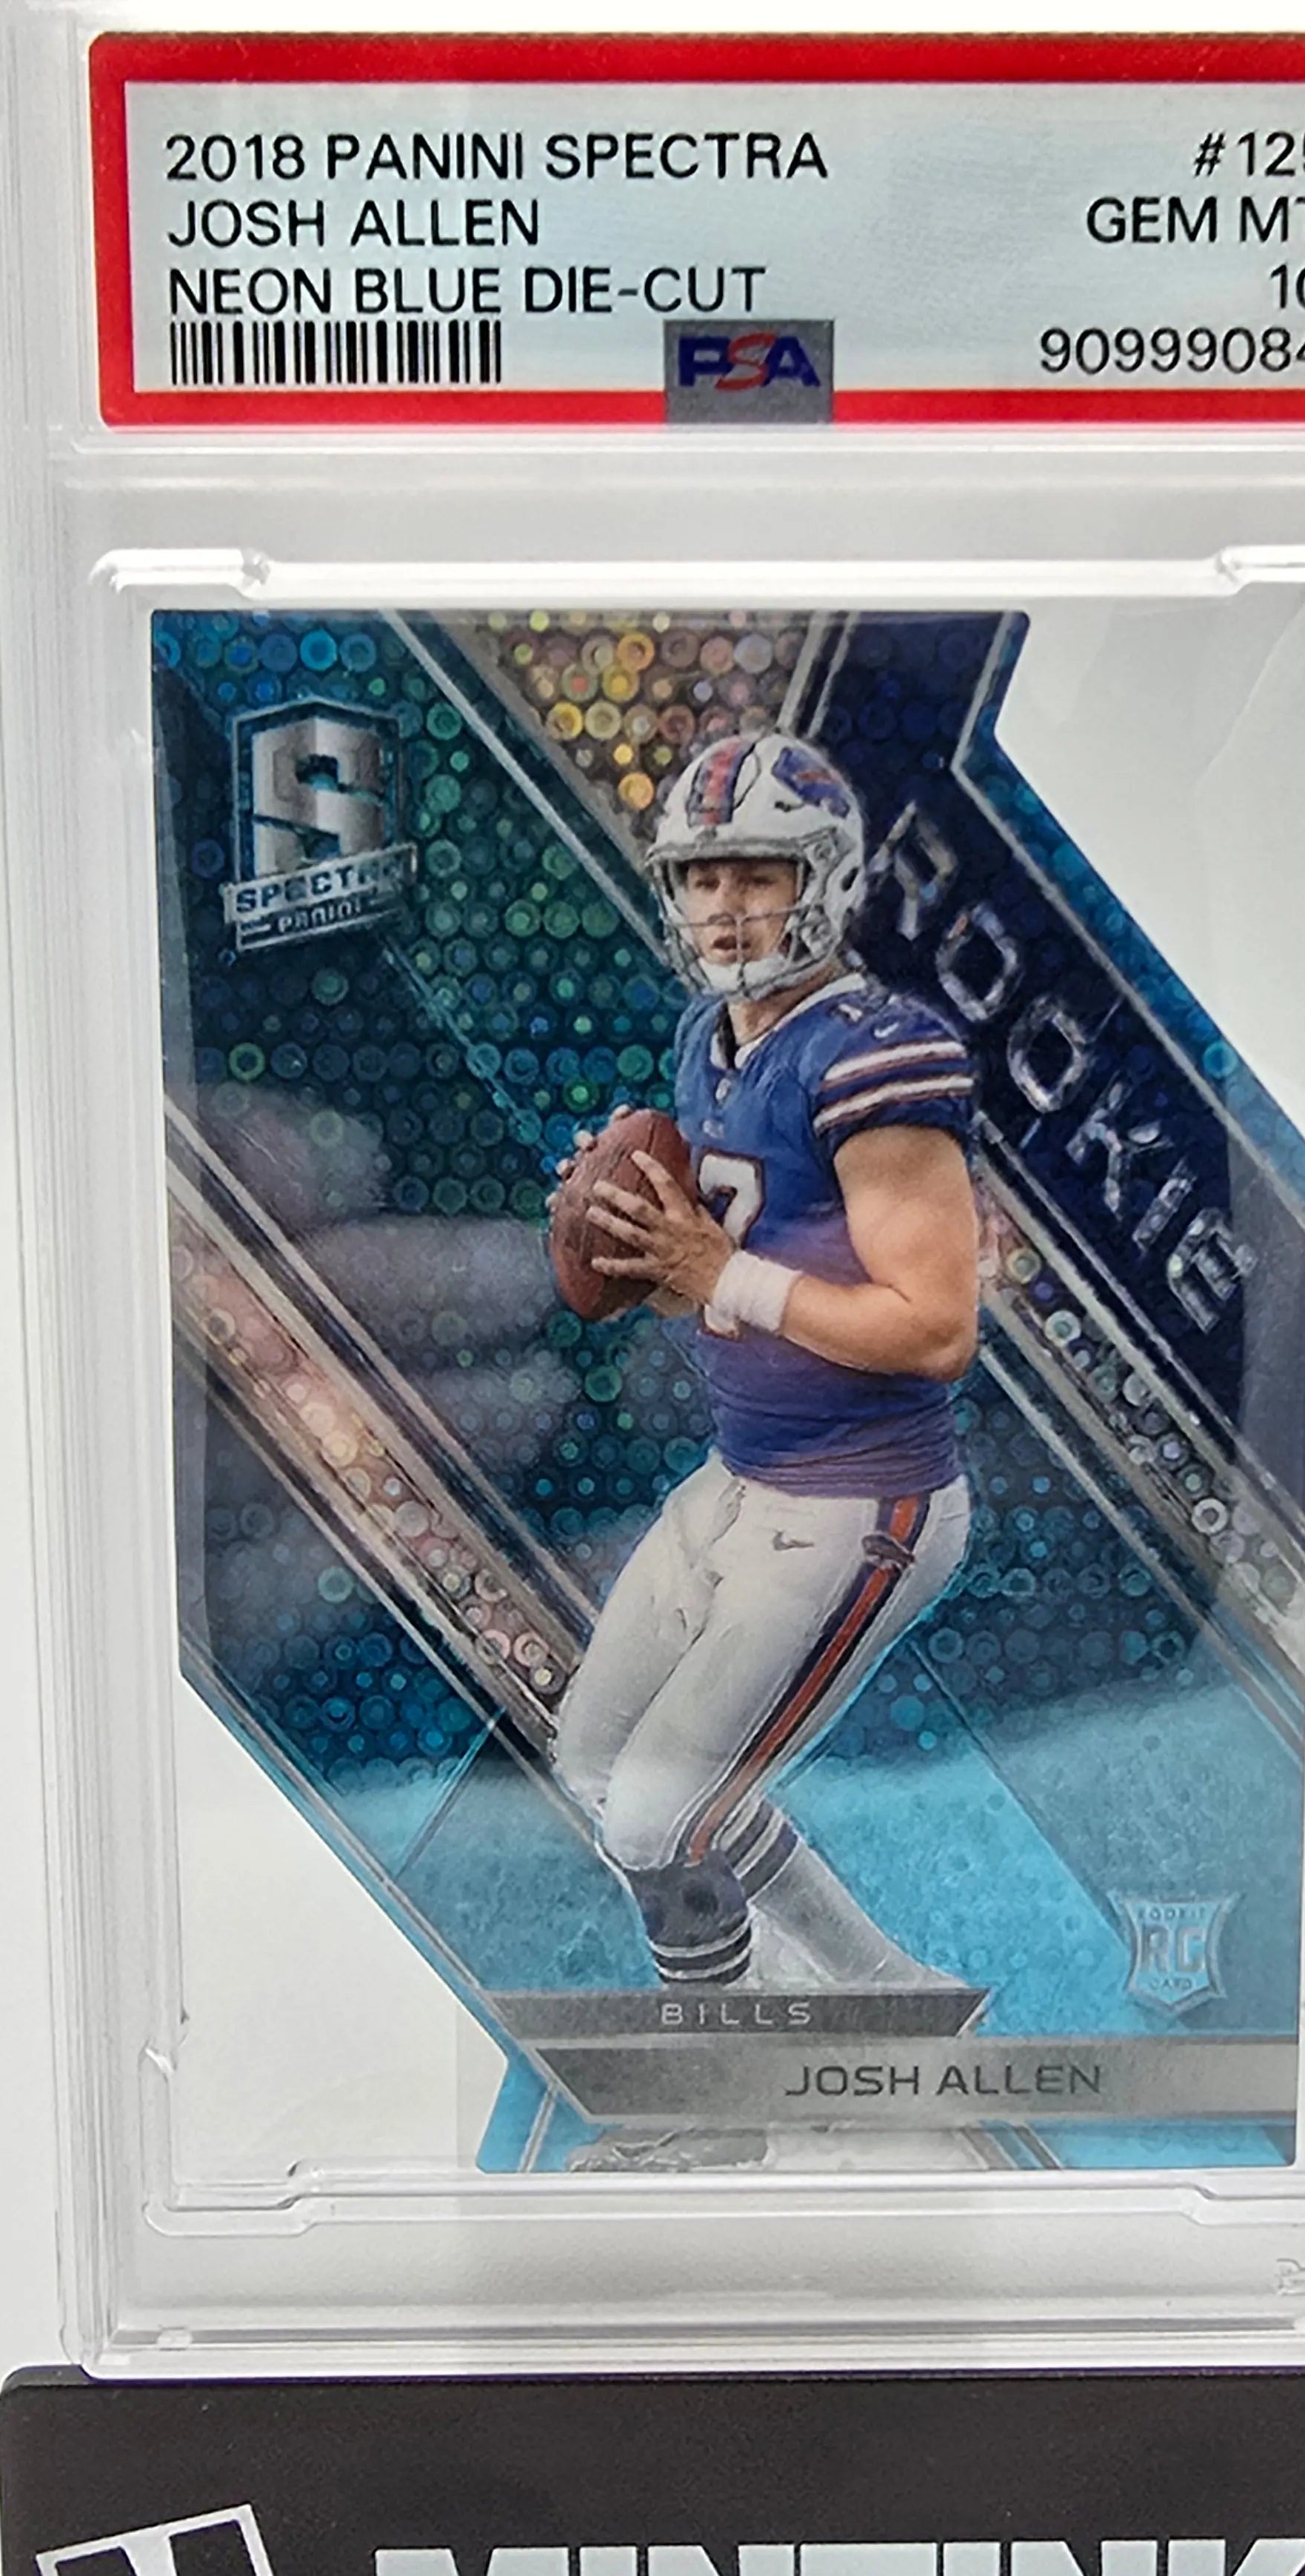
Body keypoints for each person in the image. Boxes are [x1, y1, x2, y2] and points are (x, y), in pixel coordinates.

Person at [550, 729, 982, 1991]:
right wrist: (632, 1238)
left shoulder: (875, 1055)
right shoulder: (709, 1038)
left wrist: (714, 1276)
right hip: (743, 1476)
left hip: (863, 1499)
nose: (726, 907)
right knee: (593, 1764)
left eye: (758, 873)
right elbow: (726, 1257)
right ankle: (886, 1996)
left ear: (826, 879)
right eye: (703, 877)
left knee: (657, 1819)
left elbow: (936, 1329)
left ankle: (739, 2059)